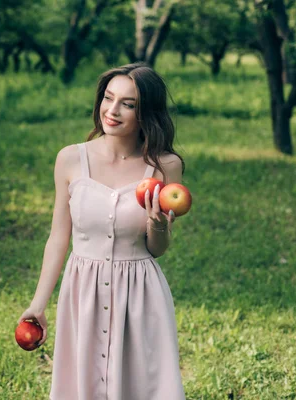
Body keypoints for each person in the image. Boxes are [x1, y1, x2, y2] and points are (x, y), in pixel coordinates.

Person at [17, 62, 187, 400]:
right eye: (108, 98)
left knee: (143, 386)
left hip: (140, 294)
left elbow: (157, 248)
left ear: (146, 112)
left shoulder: (166, 166)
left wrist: (156, 225)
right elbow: (58, 237)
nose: (112, 110)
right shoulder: (70, 159)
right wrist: (38, 303)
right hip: (82, 292)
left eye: (128, 103)